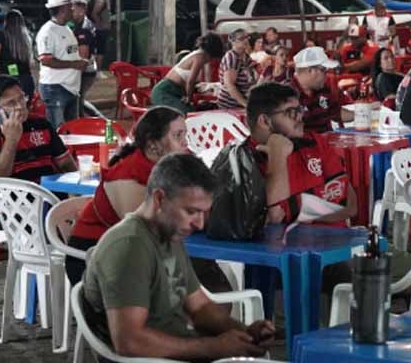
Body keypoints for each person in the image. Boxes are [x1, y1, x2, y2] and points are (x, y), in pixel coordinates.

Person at [82, 153, 275, 361]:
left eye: (204, 213)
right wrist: (214, 348)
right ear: (159, 199)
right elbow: (130, 341)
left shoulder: (170, 236)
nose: (200, 224)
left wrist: (245, 333)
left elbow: (200, 307)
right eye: (191, 211)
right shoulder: (129, 246)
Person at [66, 107, 187, 285]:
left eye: (185, 134)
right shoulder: (128, 174)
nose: (185, 142)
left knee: (207, 281)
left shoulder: (167, 165)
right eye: (178, 135)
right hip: (93, 256)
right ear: (153, 144)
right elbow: (142, 232)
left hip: (132, 254)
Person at [240, 83, 357, 226]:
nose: (301, 116)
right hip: (284, 247)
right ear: (264, 121)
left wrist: (294, 210)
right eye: (291, 112)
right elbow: (274, 218)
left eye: (300, 109)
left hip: (334, 244)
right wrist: (278, 155)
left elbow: (350, 205)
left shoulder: (314, 142)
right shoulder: (243, 161)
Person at [0, 75, 77, 184]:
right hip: (11, 199)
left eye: (22, 98)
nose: (20, 106)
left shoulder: (41, 124)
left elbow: (66, 164)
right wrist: (11, 140)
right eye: (11, 103)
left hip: (51, 195)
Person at [36, 0, 88, 128]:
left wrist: (80, 62)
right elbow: (46, 60)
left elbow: (68, 53)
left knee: (72, 130)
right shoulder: (48, 31)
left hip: (71, 88)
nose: (73, 10)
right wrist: (75, 64)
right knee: (58, 131)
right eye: (70, 7)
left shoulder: (66, 28)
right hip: (55, 88)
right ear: (63, 9)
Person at [150, 34, 225, 114]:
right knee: (187, 113)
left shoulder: (197, 54)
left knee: (193, 109)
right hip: (165, 92)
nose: (210, 61)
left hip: (174, 91)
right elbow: (190, 81)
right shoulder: (199, 57)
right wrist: (189, 98)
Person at [291, 46, 352, 134]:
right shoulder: (286, 95)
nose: (326, 75)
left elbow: (336, 113)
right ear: (310, 70)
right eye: (324, 70)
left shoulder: (323, 89)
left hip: (326, 143)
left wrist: (362, 115)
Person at [0, 9, 36, 98]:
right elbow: (32, 64)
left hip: (8, 82)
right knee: (24, 109)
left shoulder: (1, 35)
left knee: (8, 110)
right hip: (27, 81)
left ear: (6, 22)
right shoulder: (27, 37)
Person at [71, 0, 99, 117]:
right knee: (79, 99)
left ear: (81, 11)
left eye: (74, 10)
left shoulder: (84, 27)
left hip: (86, 69)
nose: (71, 13)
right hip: (88, 67)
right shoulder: (81, 24)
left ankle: (96, 120)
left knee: (78, 101)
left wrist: (77, 71)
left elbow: (84, 54)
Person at [217, 29, 255, 109]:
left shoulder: (246, 57)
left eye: (247, 37)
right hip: (230, 106)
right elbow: (229, 85)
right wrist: (245, 104)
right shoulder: (231, 57)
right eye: (241, 38)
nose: (246, 40)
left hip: (242, 105)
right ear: (233, 42)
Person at [91, 0, 113, 74]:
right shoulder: (101, 1)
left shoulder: (104, 0)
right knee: (100, 51)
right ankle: (98, 71)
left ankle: (97, 71)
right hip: (101, 30)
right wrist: (100, 25)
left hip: (102, 29)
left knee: (101, 51)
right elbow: (94, 14)